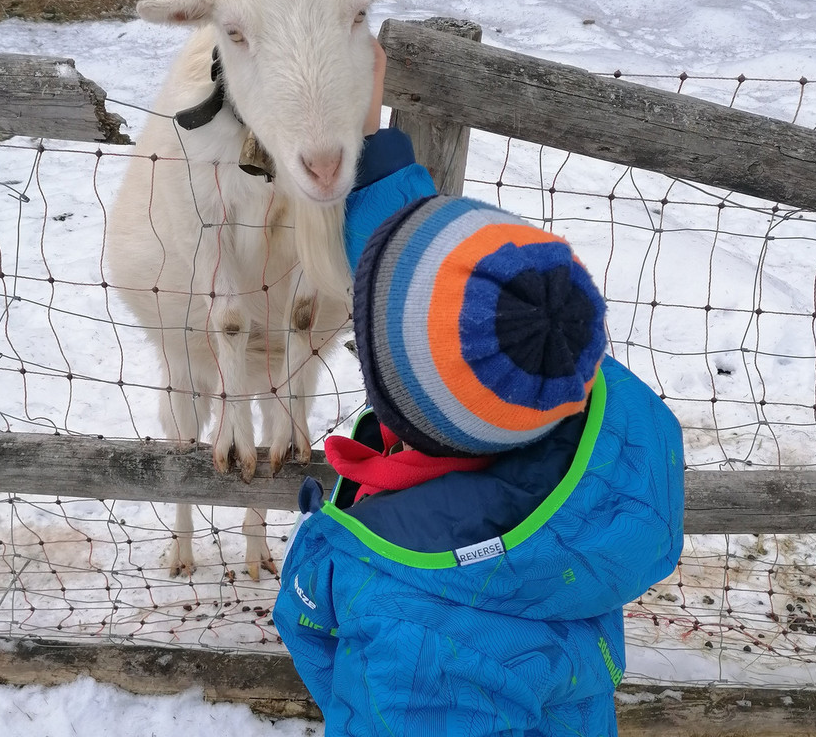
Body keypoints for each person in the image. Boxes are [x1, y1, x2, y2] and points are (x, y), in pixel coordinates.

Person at [273, 39, 685, 737]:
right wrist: (370, 141)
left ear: (397, 391)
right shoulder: (562, 390)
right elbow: (437, 292)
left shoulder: (424, 648)